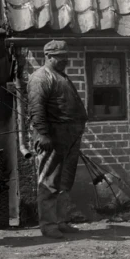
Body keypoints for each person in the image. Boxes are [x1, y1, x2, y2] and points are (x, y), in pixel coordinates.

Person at [27, 40, 88, 239]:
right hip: (53, 136)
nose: (64, 60)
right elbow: (36, 110)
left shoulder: (61, 76)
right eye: (59, 57)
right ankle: (48, 225)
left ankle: (61, 221)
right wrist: (43, 135)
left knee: (65, 181)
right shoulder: (40, 78)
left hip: (70, 136)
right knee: (49, 181)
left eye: (65, 57)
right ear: (48, 56)